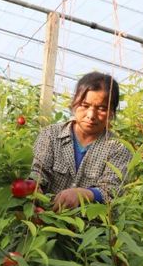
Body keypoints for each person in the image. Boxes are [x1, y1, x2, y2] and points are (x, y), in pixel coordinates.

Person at [30, 72, 131, 211]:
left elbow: (113, 190)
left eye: (101, 108)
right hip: (44, 221)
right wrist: (33, 189)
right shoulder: (51, 135)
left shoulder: (118, 148)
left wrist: (83, 194)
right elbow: (38, 171)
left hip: (90, 229)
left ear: (112, 113)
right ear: (74, 104)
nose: (91, 115)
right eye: (85, 105)